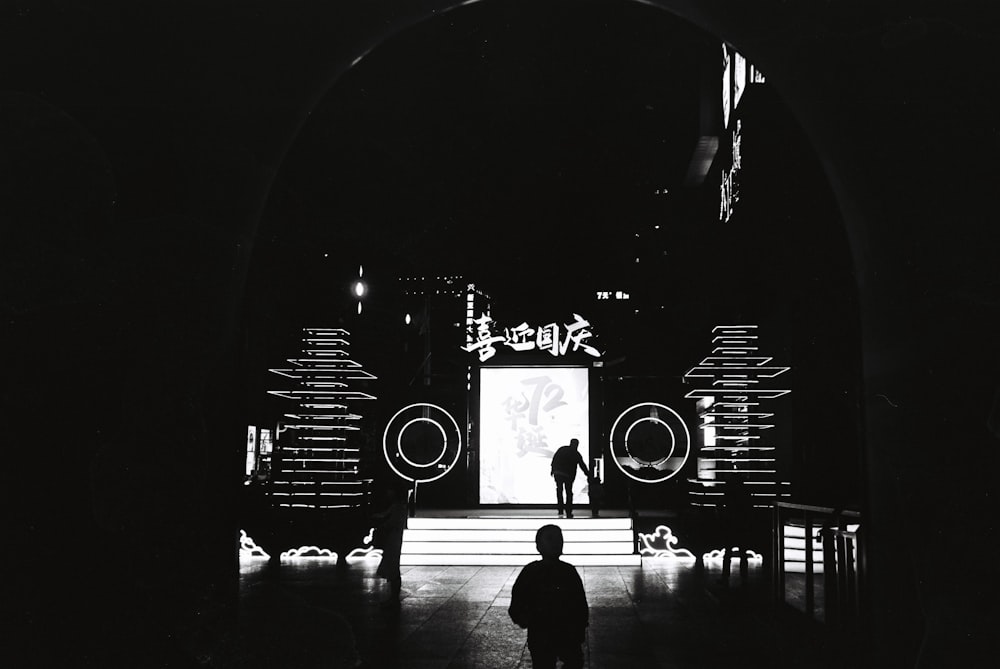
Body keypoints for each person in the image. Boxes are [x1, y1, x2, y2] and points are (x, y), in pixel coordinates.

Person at [509, 524, 589, 669]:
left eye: (558, 539)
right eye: (551, 539)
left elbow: (580, 605)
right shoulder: (567, 571)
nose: (556, 543)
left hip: (549, 633)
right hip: (553, 633)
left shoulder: (532, 571)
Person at [371, 484, 408, 605]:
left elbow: (391, 521)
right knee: (393, 568)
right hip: (394, 538)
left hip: (393, 538)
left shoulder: (397, 507)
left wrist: (381, 525)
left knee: (392, 568)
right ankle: (393, 597)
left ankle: (394, 597)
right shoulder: (399, 506)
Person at [550, 438, 590, 517]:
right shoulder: (576, 453)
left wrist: (552, 470)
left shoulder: (562, 449)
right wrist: (589, 475)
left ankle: (560, 510)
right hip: (568, 475)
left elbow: (554, 459)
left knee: (559, 491)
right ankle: (568, 510)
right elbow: (582, 465)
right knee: (569, 492)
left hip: (558, 473)